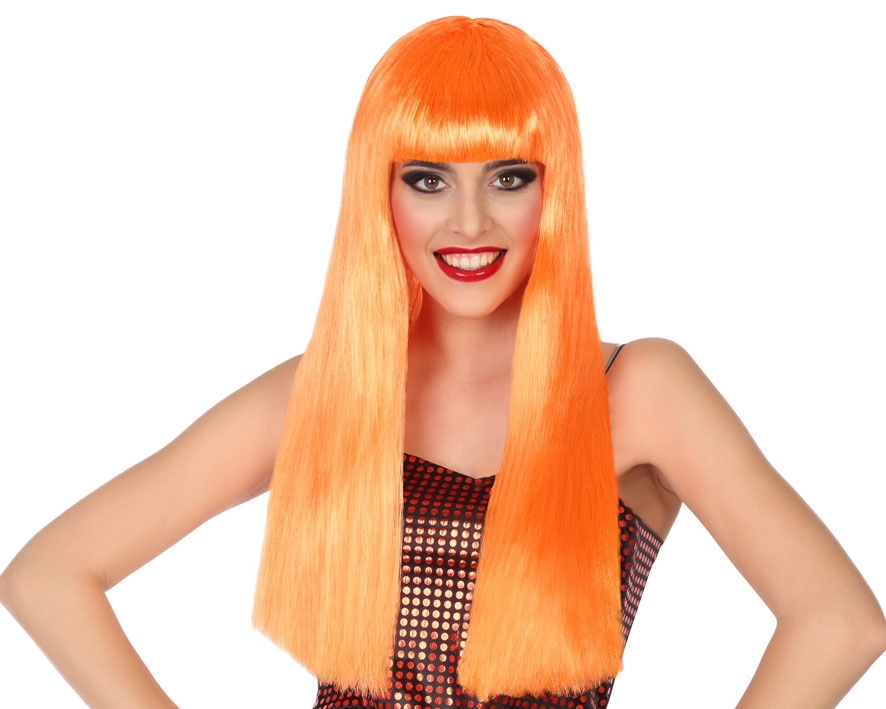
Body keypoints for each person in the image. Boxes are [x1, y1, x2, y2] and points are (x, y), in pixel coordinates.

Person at [1, 15, 884, 709]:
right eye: (428, 178)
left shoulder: (637, 388)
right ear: (379, 192)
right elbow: (48, 576)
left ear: (555, 188)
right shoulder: (326, 391)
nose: (469, 223)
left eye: (509, 177)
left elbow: (839, 622)